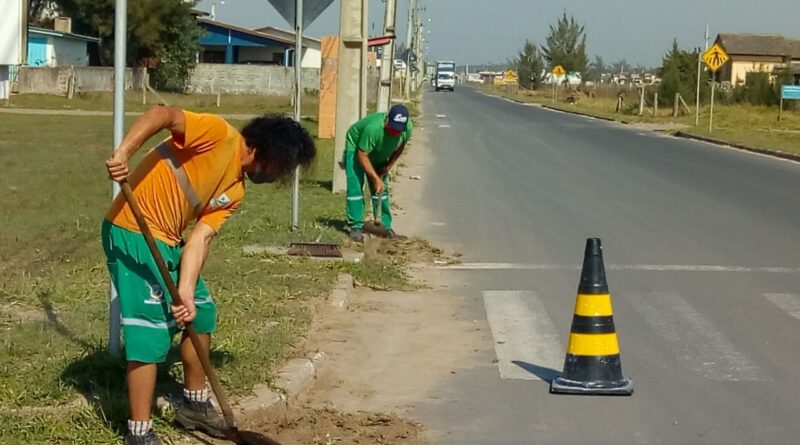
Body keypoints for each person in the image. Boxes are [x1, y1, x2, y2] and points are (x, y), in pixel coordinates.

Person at [103, 106, 315, 445]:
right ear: (269, 151)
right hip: (132, 231)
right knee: (150, 331)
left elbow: (200, 238)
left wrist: (186, 291)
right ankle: (139, 433)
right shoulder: (218, 134)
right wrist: (125, 151)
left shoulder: (235, 192)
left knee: (200, 312)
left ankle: (194, 405)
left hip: (169, 241)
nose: (279, 178)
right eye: (283, 168)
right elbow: (163, 115)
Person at [343, 104, 413, 242]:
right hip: (357, 147)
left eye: (398, 130)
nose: (395, 132)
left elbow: (401, 145)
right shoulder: (373, 129)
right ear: (387, 120)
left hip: (379, 150)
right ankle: (356, 226)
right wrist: (375, 178)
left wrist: (389, 165)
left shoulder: (407, 128)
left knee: (382, 190)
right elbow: (362, 154)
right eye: (393, 128)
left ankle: (384, 227)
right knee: (355, 186)